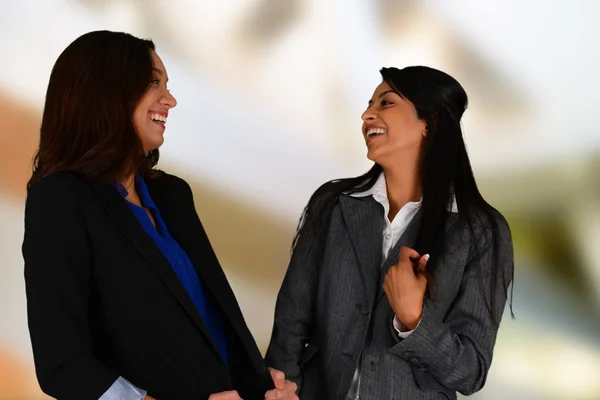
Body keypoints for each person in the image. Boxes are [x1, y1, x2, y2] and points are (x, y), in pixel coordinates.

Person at [23, 30, 297, 400]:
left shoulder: (172, 194)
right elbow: (63, 364)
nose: (170, 99)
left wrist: (259, 384)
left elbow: (207, 325)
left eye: (167, 85)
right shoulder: (60, 200)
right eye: (154, 83)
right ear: (105, 90)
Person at [265, 66, 514, 400]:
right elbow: (291, 321)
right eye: (370, 104)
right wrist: (283, 385)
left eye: (386, 103)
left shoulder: (482, 232)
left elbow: (471, 372)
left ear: (430, 123)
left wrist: (414, 319)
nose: (367, 114)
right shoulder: (333, 205)